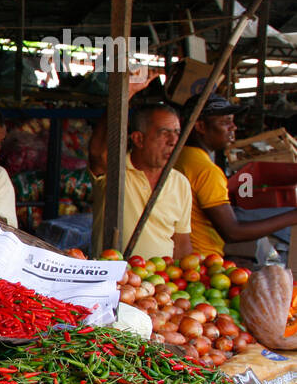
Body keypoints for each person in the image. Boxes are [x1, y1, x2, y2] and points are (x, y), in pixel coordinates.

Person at [175, 92, 297, 257]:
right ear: (201, 127)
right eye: (225, 122)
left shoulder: (180, 157)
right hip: (203, 260)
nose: (233, 128)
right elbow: (233, 232)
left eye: (232, 121)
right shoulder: (206, 170)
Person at [91, 103, 193, 260]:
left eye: (177, 133)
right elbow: (98, 154)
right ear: (139, 139)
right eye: (164, 133)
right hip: (117, 279)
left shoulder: (180, 183)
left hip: (162, 280)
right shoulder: (114, 172)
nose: (173, 141)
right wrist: (127, 94)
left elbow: (181, 243)